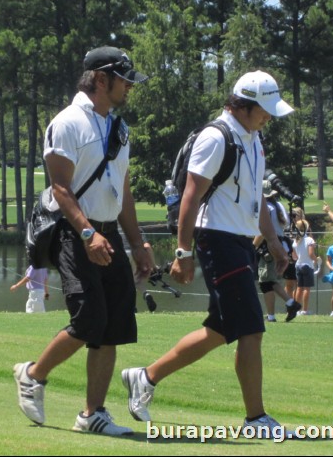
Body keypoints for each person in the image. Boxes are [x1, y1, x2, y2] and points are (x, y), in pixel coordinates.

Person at [122, 70, 294, 434]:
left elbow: (256, 199)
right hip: (216, 240)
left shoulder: (253, 139)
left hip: (241, 244)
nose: (269, 117)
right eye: (264, 110)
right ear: (245, 106)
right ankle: (255, 418)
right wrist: (183, 254)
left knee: (219, 329)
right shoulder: (216, 137)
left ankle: (145, 377)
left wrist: (275, 243)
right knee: (251, 327)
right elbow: (190, 196)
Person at [13, 46, 154, 436]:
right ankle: (33, 374)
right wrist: (89, 233)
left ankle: (92, 413)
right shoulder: (68, 122)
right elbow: (60, 189)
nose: (129, 87)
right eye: (123, 80)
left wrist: (138, 244)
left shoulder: (120, 128)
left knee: (113, 326)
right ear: (101, 79)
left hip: (107, 234)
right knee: (90, 318)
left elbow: (123, 192)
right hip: (76, 234)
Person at [253, 182, 300, 322]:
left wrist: (253, 246)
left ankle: (290, 304)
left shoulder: (265, 207)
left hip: (268, 245)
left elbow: (263, 230)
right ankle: (273, 314)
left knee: (266, 280)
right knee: (268, 281)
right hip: (280, 243)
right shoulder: (278, 206)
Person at [292, 219, 319, 315]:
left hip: (298, 266)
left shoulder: (295, 241)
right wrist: (317, 260)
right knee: (306, 288)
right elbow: (311, 254)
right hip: (307, 266)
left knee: (299, 288)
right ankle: (305, 310)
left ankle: (296, 310)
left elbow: (294, 257)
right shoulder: (310, 240)